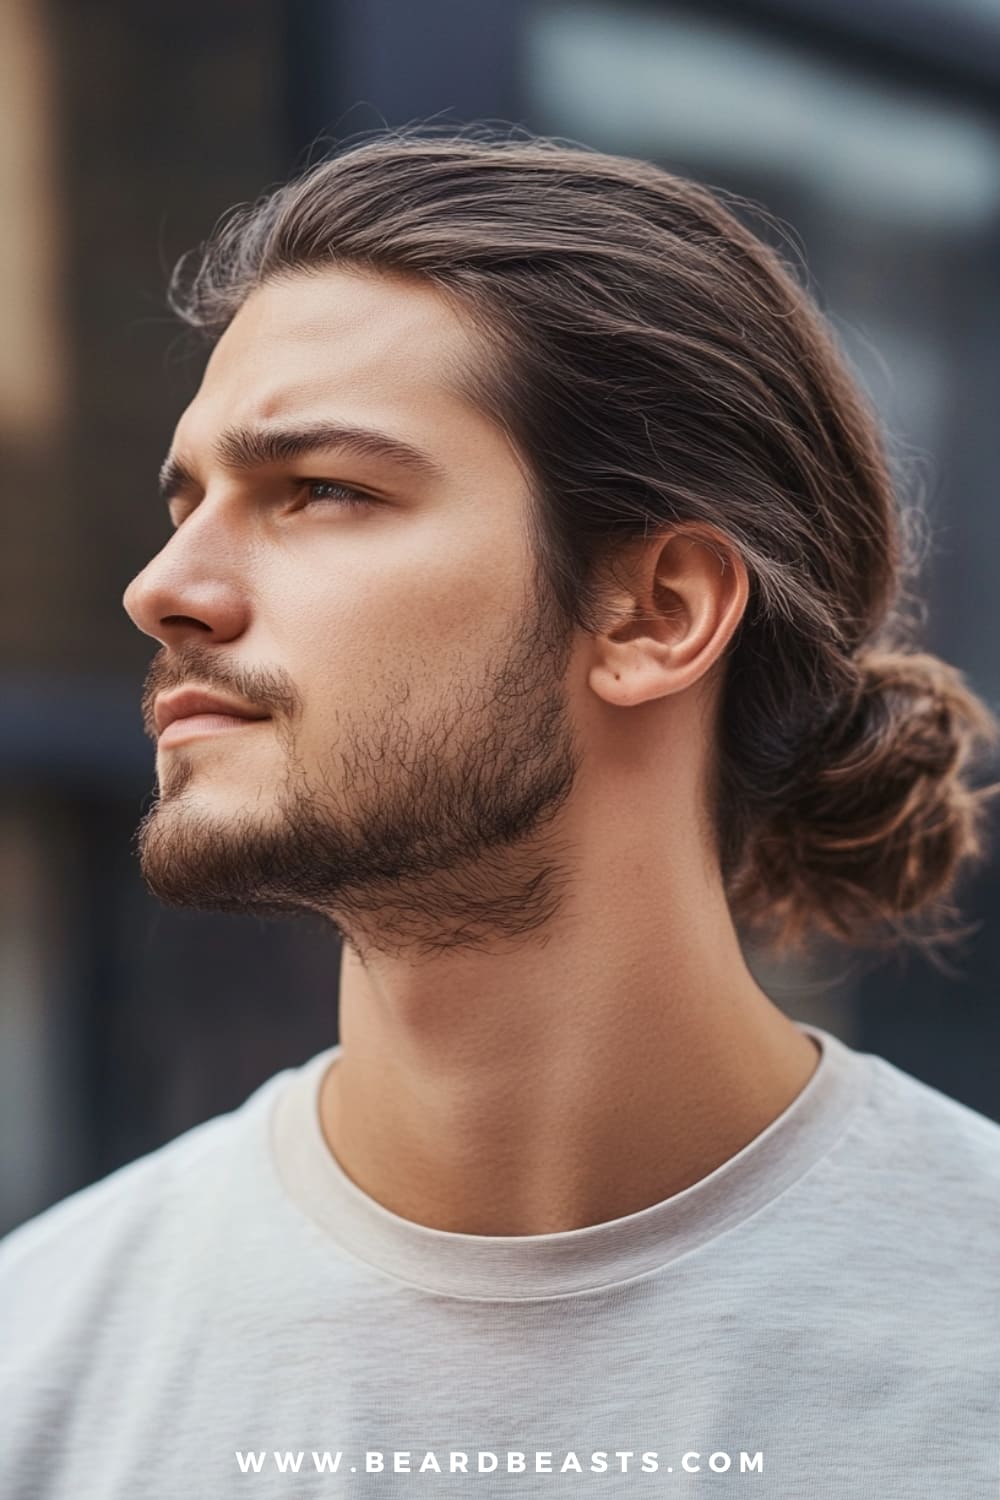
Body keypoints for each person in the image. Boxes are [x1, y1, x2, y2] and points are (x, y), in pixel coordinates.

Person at [2, 125, 998, 1499]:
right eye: (187, 502)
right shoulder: (43, 1365)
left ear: (656, 612)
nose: (165, 585)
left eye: (323, 491)